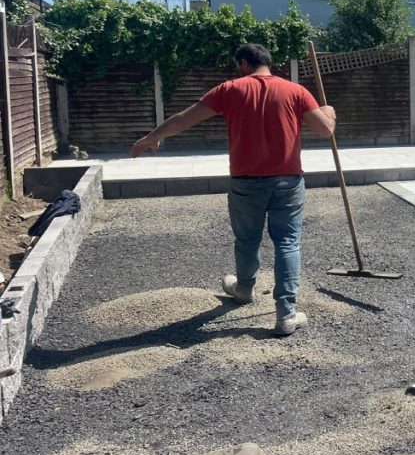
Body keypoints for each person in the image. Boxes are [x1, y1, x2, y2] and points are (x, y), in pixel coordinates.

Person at [130, 44, 336, 335]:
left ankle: (243, 290)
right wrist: (329, 112)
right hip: (287, 183)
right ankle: (286, 315)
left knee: (247, 240)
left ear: (243, 63)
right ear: (268, 62)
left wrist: (152, 137)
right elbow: (325, 130)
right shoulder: (296, 91)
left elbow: (184, 119)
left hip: (245, 182)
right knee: (288, 243)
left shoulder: (229, 90)